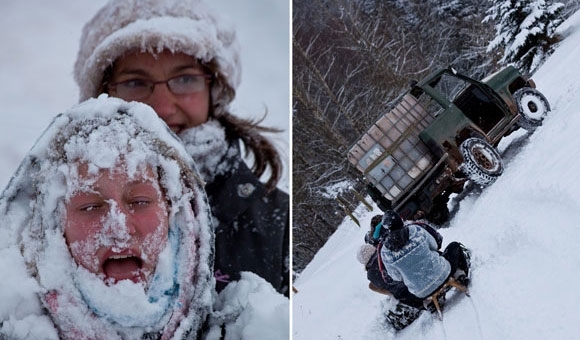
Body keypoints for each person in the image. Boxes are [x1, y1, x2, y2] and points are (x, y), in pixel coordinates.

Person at [0, 96, 288, 339]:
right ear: (53, 227)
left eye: (139, 201)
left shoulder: (255, 326)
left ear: (174, 214)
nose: (118, 228)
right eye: (90, 207)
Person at [73, 0, 289, 296]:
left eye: (185, 79)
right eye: (136, 82)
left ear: (214, 89)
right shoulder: (58, 213)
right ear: (103, 95)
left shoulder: (278, 224)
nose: (162, 107)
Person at [378, 210, 470, 301]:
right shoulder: (415, 229)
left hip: (421, 292)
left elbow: (396, 277)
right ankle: (461, 275)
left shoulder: (385, 252)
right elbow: (436, 245)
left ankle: (429, 302)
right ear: (400, 220)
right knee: (454, 246)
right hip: (442, 274)